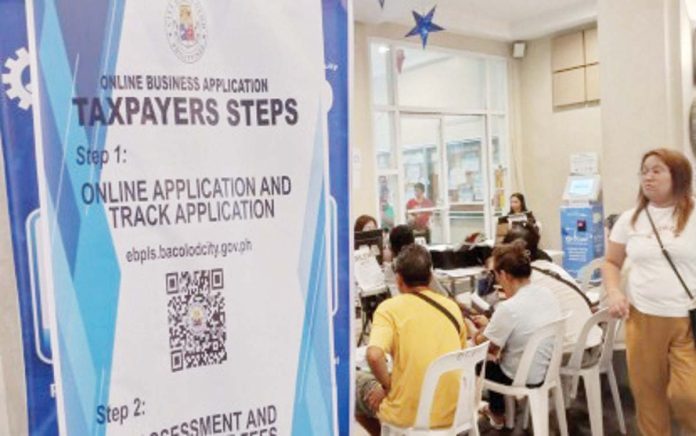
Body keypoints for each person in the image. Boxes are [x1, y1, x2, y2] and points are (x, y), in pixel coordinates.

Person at [602, 148, 696, 435]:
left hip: (687, 319)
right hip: (643, 319)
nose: (648, 177)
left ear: (677, 176)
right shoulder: (630, 219)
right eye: (644, 171)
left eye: (657, 170)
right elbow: (611, 262)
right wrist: (615, 292)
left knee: (688, 396)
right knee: (649, 399)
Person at [355, 244, 467, 434]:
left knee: (354, 383)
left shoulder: (388, 309)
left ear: (398, 280)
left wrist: (388, 385)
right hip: (454, 411)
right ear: (431, 277)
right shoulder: (451, 307)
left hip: (408, 416)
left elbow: (374, 355)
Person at [472, 240, 562, 429]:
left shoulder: (509, 308)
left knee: (480, 363)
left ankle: (496, 415)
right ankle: (503, 413)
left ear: (504, 275)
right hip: (546, 370)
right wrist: (492, 325)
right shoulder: (547, 294)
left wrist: (476, 332)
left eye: (495, 274)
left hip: (520, 376)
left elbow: (485, 346)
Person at [502, 223, 601, 350]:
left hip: (569, 353)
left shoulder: (526, 278)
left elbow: (513, 323)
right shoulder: (552, 267)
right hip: (594, 345)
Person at [383, 225, 449, 297]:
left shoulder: (390, 270)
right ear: (413, 243)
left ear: (391, 247)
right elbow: (442, 294)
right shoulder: (420, 265)